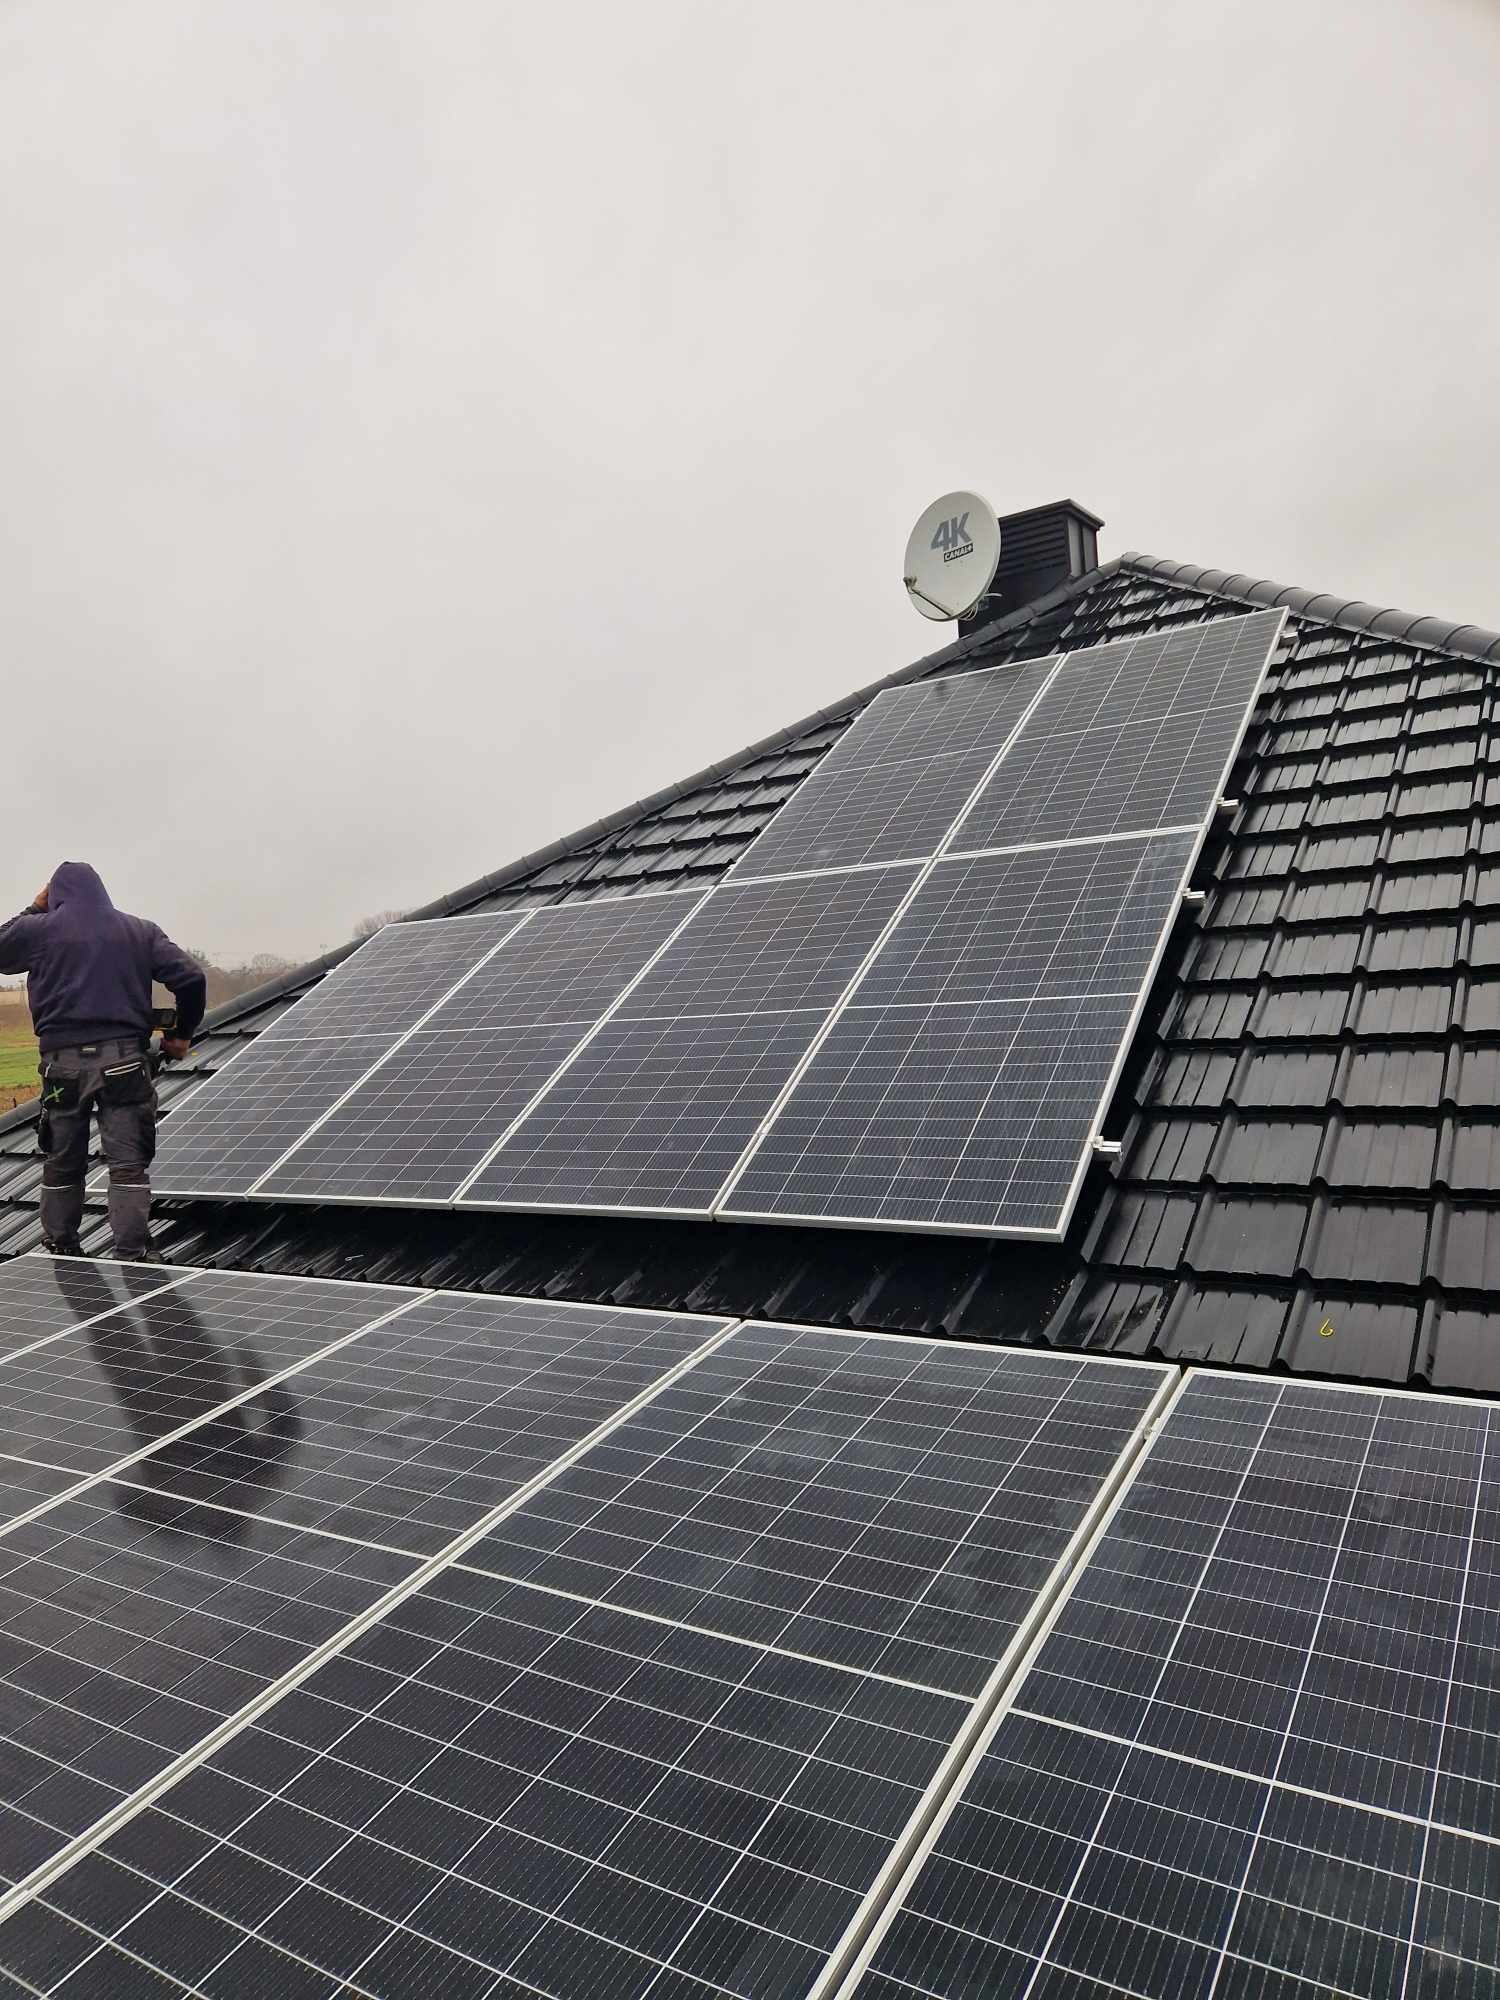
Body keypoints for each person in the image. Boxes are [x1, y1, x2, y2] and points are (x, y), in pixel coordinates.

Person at [0, 864, 206, 1262]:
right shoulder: (139, 931)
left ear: (55, 896)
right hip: (125, 1065)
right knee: (128, 1166)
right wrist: (181, 1033)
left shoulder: (39, 930)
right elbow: (191, 978)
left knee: (62, 1162)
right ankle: (133, 1252)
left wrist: (34, 908)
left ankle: (62, 1244)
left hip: (62, 1070)